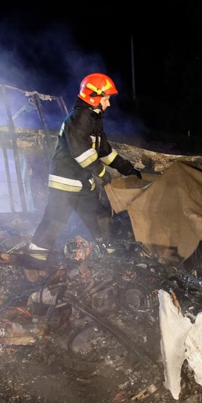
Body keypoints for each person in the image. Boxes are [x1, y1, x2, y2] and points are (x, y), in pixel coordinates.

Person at [27, 72, 141, 268]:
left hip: (83, 183)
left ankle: (110, 256)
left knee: (100, 217)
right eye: (106, 99)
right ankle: (32, 264)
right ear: (93, 97)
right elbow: (82, 152)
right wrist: (102, 173)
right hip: (65, 183)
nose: (108, 104)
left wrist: (127, 168)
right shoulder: (79, 119)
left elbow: (104, 150)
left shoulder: (94, 119)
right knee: (54, 223)